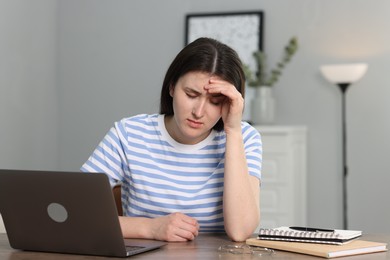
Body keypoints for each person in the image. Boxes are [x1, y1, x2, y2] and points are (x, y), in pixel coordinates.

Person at [81, 37, 262, 242]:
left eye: (215, 101)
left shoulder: (244, 137)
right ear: (171, 87)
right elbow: (77, 211)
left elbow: (240, 231)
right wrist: (150, 228)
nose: (199, 112)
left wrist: (233, 131)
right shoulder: (128, 134)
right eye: (191, 94)